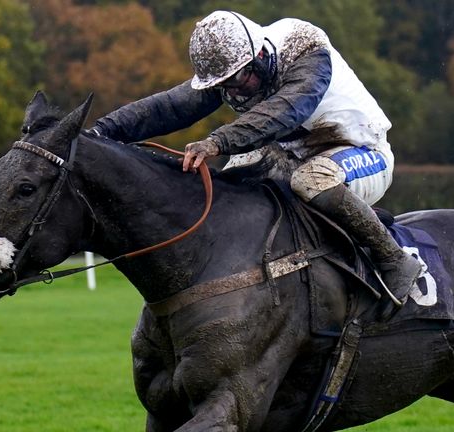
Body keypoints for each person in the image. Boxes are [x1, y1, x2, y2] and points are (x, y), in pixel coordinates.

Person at [89, 10, 422, 298]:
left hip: (361, 152)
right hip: (287, 154)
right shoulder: (234, 71)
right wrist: (99, 132)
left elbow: (285, 110)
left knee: (312, 180)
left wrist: (216, 142)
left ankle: (393, 258)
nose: (233, 91)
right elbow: (168, 108)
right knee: (229, 180)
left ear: (259, 56)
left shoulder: (305, 48)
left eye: (237, 80)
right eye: (224, 85)